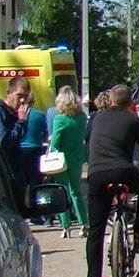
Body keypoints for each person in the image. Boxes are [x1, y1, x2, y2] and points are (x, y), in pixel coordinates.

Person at [84, 84, 139, 277]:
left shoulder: (96, 118)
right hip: (124, 170)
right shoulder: (133, 120)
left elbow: (88, 142)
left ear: (110, 101)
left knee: (96, 230)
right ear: (131, 103)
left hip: (97, 175)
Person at [49, 89, 90, 238]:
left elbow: (55, 143)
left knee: (62, 192)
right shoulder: (82, 117)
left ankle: (65, 226)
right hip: (77, 157)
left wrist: (50, 141)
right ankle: (83, 223)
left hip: (61, 159)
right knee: (76, 191)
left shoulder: (59, 119)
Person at [0, 77, 31, 195]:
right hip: (2, 175)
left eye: (26, 96)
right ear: (8, 93)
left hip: (13, 173)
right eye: (19, 96)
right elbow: (3, 143)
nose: (22, 100)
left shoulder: (12, 113)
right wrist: (21, 123)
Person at [18, 98, 50, 207]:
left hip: (20, 150)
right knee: (35, 181)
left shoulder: (16, 115)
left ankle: (22, 206)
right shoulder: (40, 115)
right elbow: (46, 134)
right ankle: (35, 209)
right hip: (36, 150)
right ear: (33, 101)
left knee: (21, 181)